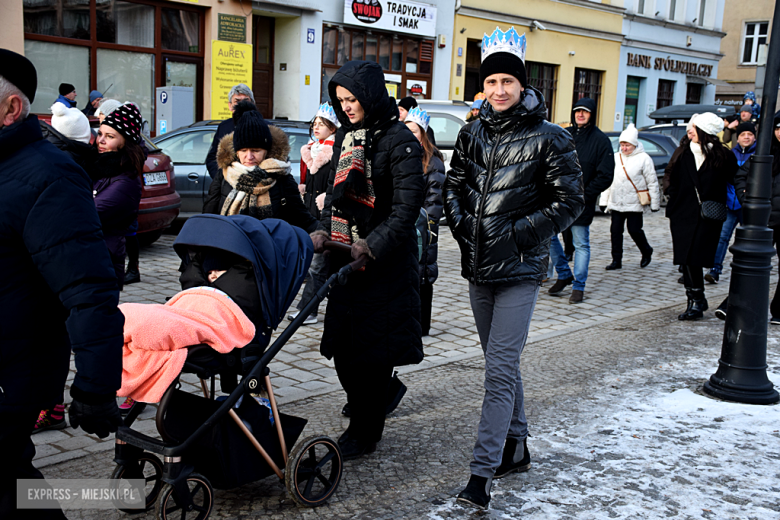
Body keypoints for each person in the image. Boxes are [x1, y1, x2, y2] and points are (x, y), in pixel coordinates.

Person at [444, 27, 584, 509]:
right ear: (482, 87)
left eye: (508, 81)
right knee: (500, 362)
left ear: (523, 85)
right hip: (479, 268)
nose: (499, 90)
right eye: (491, 82)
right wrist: (464, 225)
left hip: (521, 270)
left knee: (499, 372)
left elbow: (570, 201)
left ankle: (481, 474)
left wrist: (518, 233)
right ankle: (518, 444)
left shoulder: (550, 137)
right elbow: (453, 185)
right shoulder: (472, 132)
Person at [0, 49, 125, 519]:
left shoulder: (49, 176)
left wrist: (95, 387)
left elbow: (90, 289)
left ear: (11, 109)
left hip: (13, 369)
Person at [310, 60, 425, 460]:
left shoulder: (401, 141)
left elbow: (406, 210)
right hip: (347, 261)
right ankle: (372, 404)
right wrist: (323, 231)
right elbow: (335, 196)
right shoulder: (347, 136)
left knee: (372, 356)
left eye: (352, 99)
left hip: (384, 266)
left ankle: (364, 432)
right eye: (340, 100)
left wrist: (372, 245)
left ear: (371, 96)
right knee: (344, 352)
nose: (346, 107)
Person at [203, 101, 320, 235]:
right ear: (236, 152)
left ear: (266, 151)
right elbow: (208, 218)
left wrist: (322, 234)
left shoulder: (282, 178)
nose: (249, 156)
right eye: (243, 151)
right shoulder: (223, 176)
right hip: (230, 244)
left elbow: (303, 219)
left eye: (256, 150)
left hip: (269, 246)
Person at [665, 112, 738, 321]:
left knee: (695, 256)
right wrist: (672, 194)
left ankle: (697, 300)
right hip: (683, 213)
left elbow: (736, 178)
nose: (690, 131)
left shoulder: (722, 155)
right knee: (686, 258)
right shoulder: (683, 151)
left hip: (708, 215)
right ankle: (696, 300)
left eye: (695, 128)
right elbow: (670, 173)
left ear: (705, 131)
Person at [547, 97, 614, 303]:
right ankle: (564, 273)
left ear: (592, 114)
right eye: (577, 111)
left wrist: (584, 194)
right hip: (559, 198)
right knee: (548, 236)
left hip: (582, 201)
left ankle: (579, 286)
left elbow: (605, 175)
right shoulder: (564, 135)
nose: (580, 114)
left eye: (585, 111)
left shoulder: (600, 140)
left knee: (580, 243)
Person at [288, 102, 339, 325]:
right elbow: (305, 182)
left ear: (332, 127)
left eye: (322, 124)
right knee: (313, 264)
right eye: (315, 124)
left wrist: (326, 199)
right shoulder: (309, 150)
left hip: (326, 216)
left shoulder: (335, 151)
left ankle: (307, 310)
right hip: (309, 214)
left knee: (318, 266)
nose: (316, 127)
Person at [732, 111, 780, 322]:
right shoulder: (765, 152)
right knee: (750, 263)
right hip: (764, 218)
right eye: (777, 128)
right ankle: (734, 304)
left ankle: (778, 310)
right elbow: (741, 176)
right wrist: (747, 200)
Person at [405, 106, 445, 336]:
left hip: (423, 227)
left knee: (424, 272)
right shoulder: (403, 156)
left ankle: (423, 324)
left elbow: (434, 201)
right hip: (405, 225)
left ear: (423, 134)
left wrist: (426, 226)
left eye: (414, 131)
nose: (410, 135)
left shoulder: (433, 162)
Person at [604, 124, 660, 270]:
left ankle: (646, 250)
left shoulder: (644, 158)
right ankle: (616, 260)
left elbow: (652, 181)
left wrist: (655, 203)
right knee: (615, 232)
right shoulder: (616, 158)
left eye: (627, 145)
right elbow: (608, 180)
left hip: (635, 202)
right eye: (622, 145)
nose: (624, 148)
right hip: (617, 201)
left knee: (634, 230)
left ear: (634, 144)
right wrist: (604, 200)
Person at [706, 121, 756, 285]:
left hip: (747, 206)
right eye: (743, 134)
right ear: (738, 137)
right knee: (722, 237)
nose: (746, 137)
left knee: (748, 240)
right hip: (730, 204)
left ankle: (749, 271)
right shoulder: (730, 154)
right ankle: (714, 270)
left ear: (754, 137)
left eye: (750, 134)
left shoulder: (758, 156)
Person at [205, 83, 255, 180]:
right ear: (230, 106)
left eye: (246, 100)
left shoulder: (265, 126)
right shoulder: (224, 127)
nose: (241, 105)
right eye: (237, 101)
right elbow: (212, 158)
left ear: (252, 104)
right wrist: (222, 179)